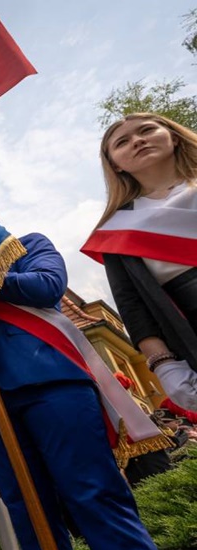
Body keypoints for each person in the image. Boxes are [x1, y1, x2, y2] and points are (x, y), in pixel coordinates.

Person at [0, 229, 197, 550]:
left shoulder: (26, 245)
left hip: (53, 382)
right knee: (32, 523)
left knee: (102, 508)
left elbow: (47, 286)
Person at [84, 113, 197, 416]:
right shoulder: (116, 229)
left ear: (173, 136)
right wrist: (164, 364)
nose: (137, 140)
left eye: (147, 130)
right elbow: (132, 305)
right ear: (116, 164)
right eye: (122, 142)